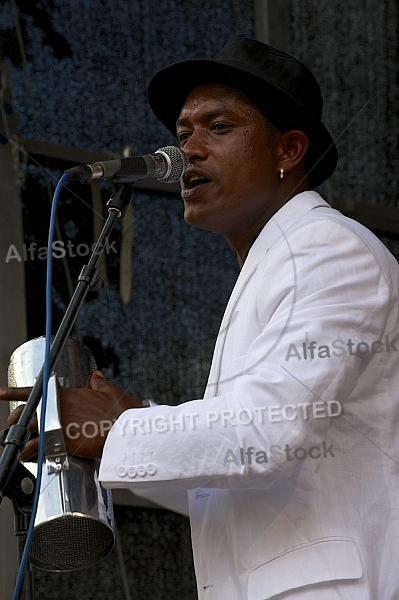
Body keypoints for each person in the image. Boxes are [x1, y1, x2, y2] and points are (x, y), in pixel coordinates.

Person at [1, 38, 399, 599]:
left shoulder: (330, 250)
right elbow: (229, 473)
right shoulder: (276, 262)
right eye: (184, 133)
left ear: (288, 150)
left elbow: (267, 431)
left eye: (219, 127)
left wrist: (112, 427)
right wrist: (133, 419)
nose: (190, 149)